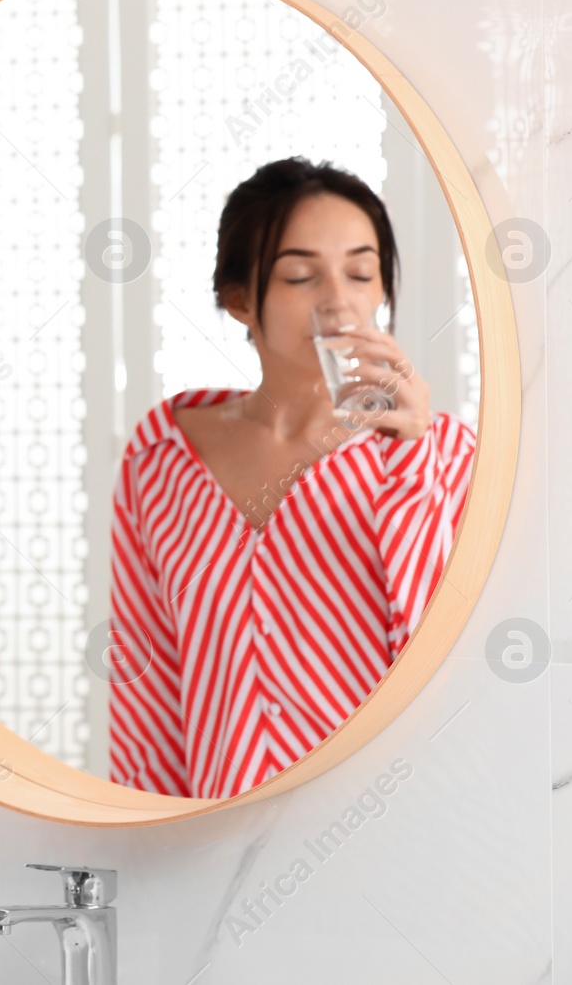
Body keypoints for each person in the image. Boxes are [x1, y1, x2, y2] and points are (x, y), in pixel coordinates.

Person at [107, 156, 475, 800]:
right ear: (240, 299)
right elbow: (148, 692)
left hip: (393, 835)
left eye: (362, 273)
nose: (340, 300)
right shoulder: (161, 457)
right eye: (302, 276)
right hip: (218, 853)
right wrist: (152, 847)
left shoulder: (443, 454)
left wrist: (413, 457)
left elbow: (444, 671)